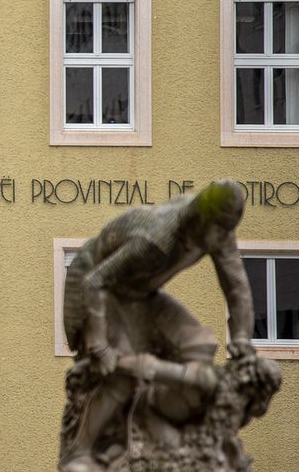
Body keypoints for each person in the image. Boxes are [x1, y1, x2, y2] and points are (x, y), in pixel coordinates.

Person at [60, 180, 257, 472]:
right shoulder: (157, 238)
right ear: (199, 221)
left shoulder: (219, 232)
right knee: (120, 371)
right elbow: (94, 281)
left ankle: (165, 429)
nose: (222, 239)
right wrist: (99, 347)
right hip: (98, 291)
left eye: (226, 231)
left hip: (142, 295)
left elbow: (237, 287)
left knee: (199, 344)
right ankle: (81, 452)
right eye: (218, 231)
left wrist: (242, 338)